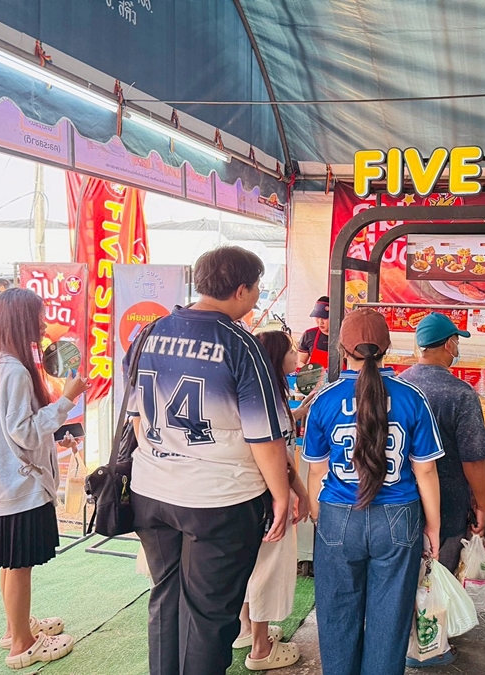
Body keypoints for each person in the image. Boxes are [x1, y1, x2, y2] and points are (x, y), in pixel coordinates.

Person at [128, 246, 290, 675]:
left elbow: (135, 416)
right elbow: (265, 437)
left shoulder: (148, 333)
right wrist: (281, 495)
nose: (256, 296)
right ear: (241, 290)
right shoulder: (240, 344)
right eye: (257, 288)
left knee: (166, 599)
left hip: (151, 490)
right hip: (219, 500)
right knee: (210, 616)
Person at [303, 308, 443, 675]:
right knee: (390, 617)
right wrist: (433, 526)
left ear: (342, 349)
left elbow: (316, 470)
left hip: (338, 515)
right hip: (399, 517)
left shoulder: (325, 399)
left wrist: (321, 517)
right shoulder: (412, 397)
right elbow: (425, 469)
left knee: (337, 614)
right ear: (387, 347)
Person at [0, 289, 89, 670]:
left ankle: (16, 628)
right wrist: (67, 400)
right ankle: (22, 645)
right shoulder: (15, 371)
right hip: (16, 487)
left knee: (12, 564)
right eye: (39, 316)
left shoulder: (4, 365)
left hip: (3, 484)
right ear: (23, 319)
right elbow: (23, 432)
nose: (44, 323)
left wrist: (57, 431)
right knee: (19, 566)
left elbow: (15, 430)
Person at [231, 330, 311, 671]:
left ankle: (245, 629)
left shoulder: (257, 393)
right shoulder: (268, 399)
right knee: (267, 570)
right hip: (268, 497)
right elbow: (278, 455)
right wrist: (295, 492)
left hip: (247, 495)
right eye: (291, 350)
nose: (297, 355)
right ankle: (262, 649)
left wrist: (299, 411)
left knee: (249, 567)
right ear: (277, 357)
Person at [399, 313, 485, 567]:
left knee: (404, 577)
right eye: (456, 342)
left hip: (400, 500)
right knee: (440, 578)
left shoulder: (399, 385)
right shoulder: (461, 394)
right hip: (448, 505)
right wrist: (482, 505)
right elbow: (474, 460)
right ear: (449, 344)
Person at [297, 296, 330, 370]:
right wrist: (310, 371)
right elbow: (300, 362)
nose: (320, 322)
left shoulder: (344, 336)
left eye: (324, 318)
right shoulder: (309, 335)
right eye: (317, 317)